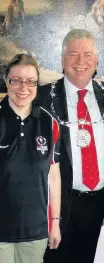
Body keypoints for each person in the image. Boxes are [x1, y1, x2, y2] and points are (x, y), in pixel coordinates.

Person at [37, 28, 104, 263]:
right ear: (62, 61)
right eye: (73, 54)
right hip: (59, 203)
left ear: (96, 61)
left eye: (87, 55)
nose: (81, 61)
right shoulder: (43, 98)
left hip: (99, 202)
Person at [0, 54, 61, 263]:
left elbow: (53, 176)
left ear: (37, 84)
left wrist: (55, 223)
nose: (23, 87)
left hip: (36, 231)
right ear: (6, 81)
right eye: (16, 80)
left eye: (30, 81)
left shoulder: (48, 122)